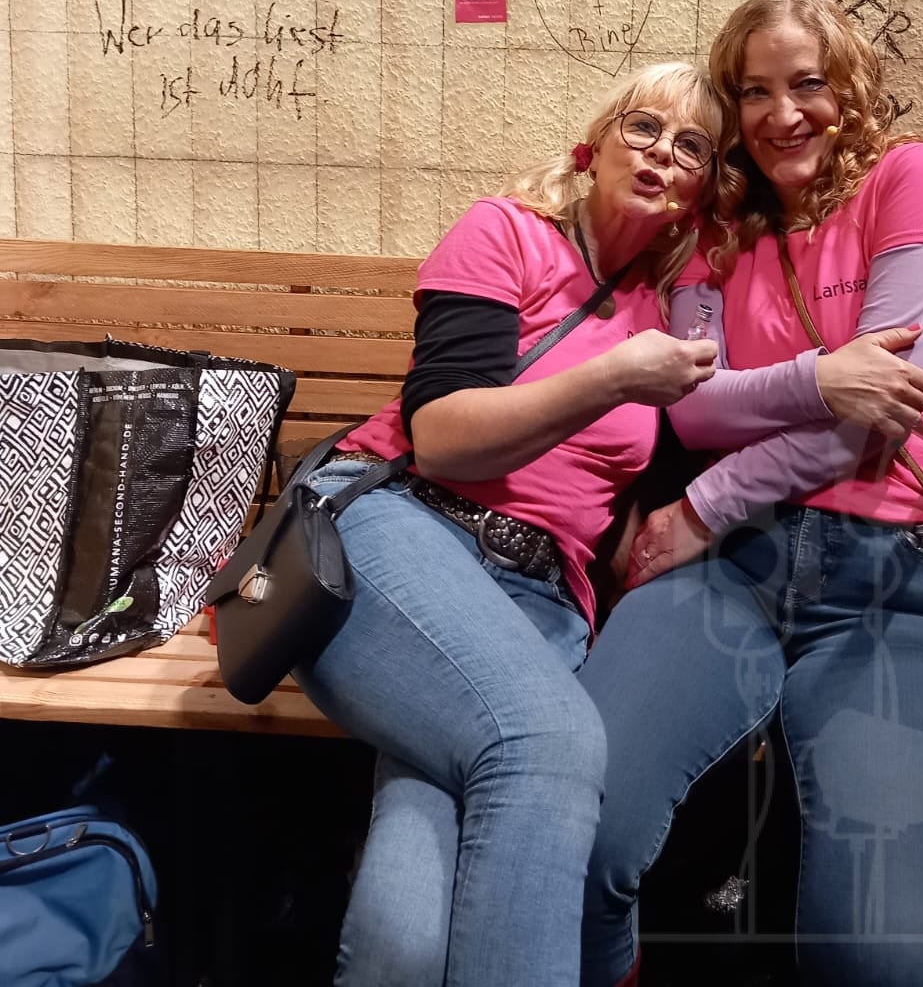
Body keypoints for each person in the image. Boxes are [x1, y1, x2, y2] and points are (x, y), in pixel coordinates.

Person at [579, 0, 923, 987]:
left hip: (892, 585)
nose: (782, 114)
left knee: (876, 961)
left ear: (847, 86)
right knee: (578, 837)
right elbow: (696, 410)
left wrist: (702, 505)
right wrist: (820, 379)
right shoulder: (719, 226)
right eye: (754, 91)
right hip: (735, 569)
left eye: (806, 83)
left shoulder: (912, 179)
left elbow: (878, 410)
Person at [292, 62, 724, 987]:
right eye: (644, 127)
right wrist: (612, 378)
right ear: (594, 144)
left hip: (541, 604)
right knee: (550, 743)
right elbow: (443, 439)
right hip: (405, 537)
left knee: (401, 951)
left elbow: (631, 506)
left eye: (692, 146)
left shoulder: (670, 312)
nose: (662, 153)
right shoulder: (507, 234)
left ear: (701, 192)